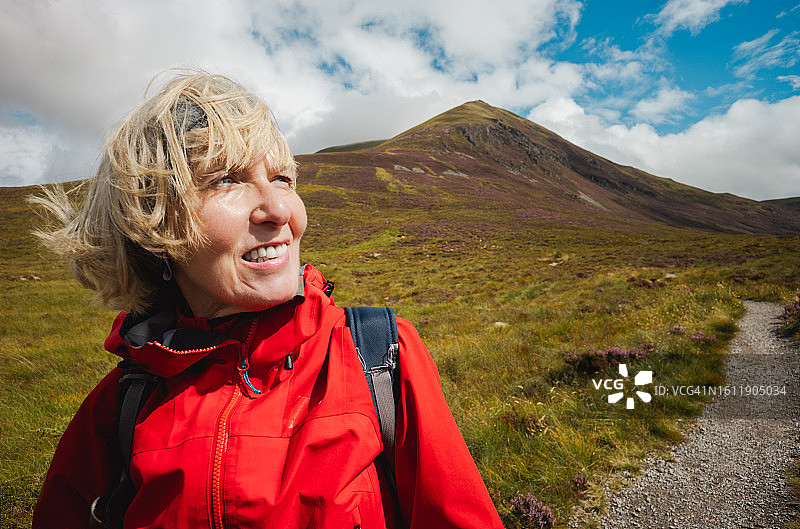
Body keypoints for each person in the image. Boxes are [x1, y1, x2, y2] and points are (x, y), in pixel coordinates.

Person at [31, 70, 504, 529]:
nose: (280, 211)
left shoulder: (381, 357)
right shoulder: (121, 404)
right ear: (155, 222)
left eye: (282, 178)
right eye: (226, 180)